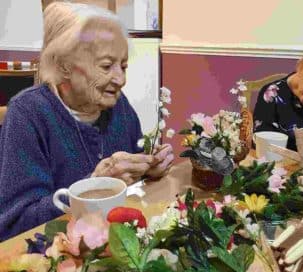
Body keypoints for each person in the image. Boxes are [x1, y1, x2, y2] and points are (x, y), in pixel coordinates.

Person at [0, 2, 174, 241]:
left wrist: (150, 167)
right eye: (106, 66)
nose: (121, 79)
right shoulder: (28, 114)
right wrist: (91, 189)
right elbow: (15, 225)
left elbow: (133, 173)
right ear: (64, 66)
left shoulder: (118, 105)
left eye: (123, 66)